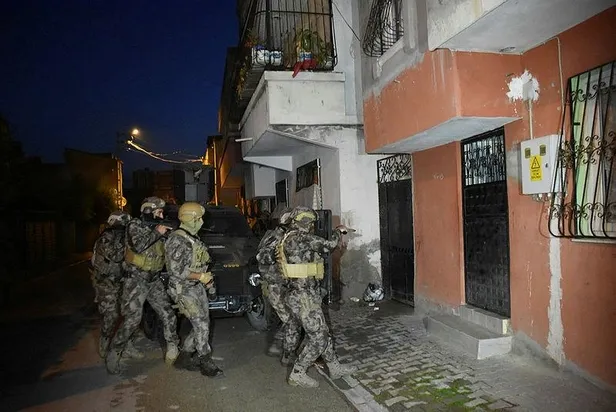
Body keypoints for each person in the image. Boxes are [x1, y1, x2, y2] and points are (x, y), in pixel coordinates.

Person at [278, 206, 357, 388]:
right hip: (303, 296)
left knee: (323, 332)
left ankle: (334, 367)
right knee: (319, 337)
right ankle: (298, 372)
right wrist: (338, 232)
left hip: (303, 294)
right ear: (306, 221)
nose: (312, 226)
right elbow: (329, 246)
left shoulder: (289, 237)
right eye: (312, 223)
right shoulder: (300, 238)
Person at [105, 197, 180, 374]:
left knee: (168, 314)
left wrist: (171, 235)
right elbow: (138, 246)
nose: (161, 216)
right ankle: (115, 352)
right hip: (135, 280)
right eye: (159, 212)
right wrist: (157, 232)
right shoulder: (135, 225)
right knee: (132, 320)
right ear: (148, 211)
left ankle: (173, 346)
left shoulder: (160, 227)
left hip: (154, 280)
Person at [163, 202, 223, 377]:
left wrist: (207, 281)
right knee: (201, 323)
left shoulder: (193, 238)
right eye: (198, 219)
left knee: (203, 322)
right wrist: (200, 277)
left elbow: (200, 263)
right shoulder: (177, 240)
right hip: (182, 289)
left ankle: (184, 356)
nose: (201, 222)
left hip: (196, 286)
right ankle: (205, 361)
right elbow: (176, 271)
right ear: (188, 219)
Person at [90, 211, 142, 360]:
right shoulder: (106, 237)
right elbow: (116, 256)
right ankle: (105, 340)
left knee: (131, 314)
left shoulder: (124, 236)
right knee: (111, 315)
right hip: (106, 282)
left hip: (123, 280)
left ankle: (127, 345)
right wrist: (125, 241)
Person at [255, 208, 301, 365]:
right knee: (292, 320)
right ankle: (286, 353)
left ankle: (280, 347)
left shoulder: (284, 236)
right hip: (276, 286)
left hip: (282, 284)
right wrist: (273, 256)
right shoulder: (276, 237)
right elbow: (261, 256)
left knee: (291, 318)